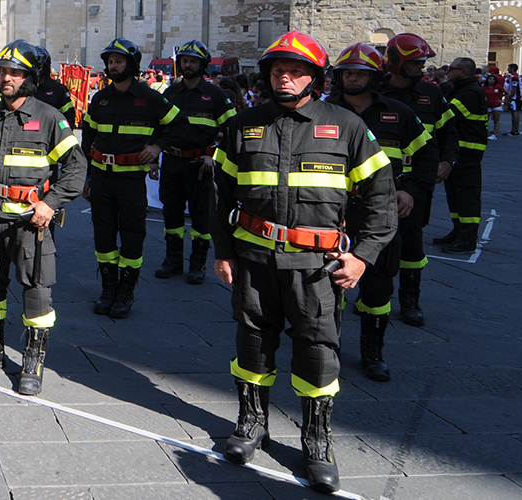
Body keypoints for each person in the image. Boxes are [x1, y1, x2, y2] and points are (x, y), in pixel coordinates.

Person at [211, 31, 396, 493]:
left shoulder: (347, 126)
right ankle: (251, 424)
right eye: (277, 70)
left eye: (295, 71)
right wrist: (224, 251)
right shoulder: (242, 125)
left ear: (315, 77)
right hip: (253, 258)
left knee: (317, 352)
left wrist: (362, 257)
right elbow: (216, 195)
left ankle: (317, 440)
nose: (285, 78)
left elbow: (382, 200)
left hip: (317, 266)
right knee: (252, 343)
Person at [0, 40, 86, 395]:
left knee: (36, 292)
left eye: (15, 73)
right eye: (2, 72)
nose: (6, 78)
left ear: (30, 78)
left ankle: (33, 358)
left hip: (32, 224)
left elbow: (76, 169)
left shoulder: (49, 118)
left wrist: (51, 202)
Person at [326, 43, 436, 382]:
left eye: (360, 73)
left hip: (379, 210)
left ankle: (373, 352)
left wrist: (411, 191)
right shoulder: (322, 111)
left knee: (377, 285)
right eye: (347, 72)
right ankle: (328, 347)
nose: (353, 78)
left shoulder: (400, 113)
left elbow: (427, 157)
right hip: (331, 210)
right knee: (329, 283)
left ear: (375, 77)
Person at [82, 38, 183, 319]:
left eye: (119, 61)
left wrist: (157, 147)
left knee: (132, 236)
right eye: (110, 62)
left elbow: (179, 124)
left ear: (132, 64)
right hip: (101, 178)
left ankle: (126, 292)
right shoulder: (99, 99)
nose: (113, 66)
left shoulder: (149, 97)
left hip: (131, 182)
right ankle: (108, 289)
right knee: (102, 236)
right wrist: (87, 177)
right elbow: (89, 139)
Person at [380, 33, 454, 326]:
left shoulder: (432, 94)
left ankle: (410, 300)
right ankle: (371, 297)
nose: (423, 69)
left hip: (416, 182)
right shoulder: (373, 92)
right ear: (397, 63)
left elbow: (449, 132)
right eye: (417, 63)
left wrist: (448, 161)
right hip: (376, 181)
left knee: (411, 239)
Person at [158, 39, 237, 285]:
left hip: (201, 166)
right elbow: (158, 127)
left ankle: (198, 263)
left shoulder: (216, 95)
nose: (188, 65)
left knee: (202, 217)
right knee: (171, 213)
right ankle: (173, 260)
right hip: (172, 161)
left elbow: (234, 131)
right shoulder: (170, 93)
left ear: (203, 65)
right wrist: (153, 158)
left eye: (193, 61)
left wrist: (213, 156)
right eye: (184, 61)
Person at [433, 57, 488, 253]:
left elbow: (447, 115)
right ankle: (458, 231)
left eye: (452, 69)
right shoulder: (461, 89)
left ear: (463, 72)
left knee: (467, 196)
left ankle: (468, 239)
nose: (448, 72)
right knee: (455, 195)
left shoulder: (471, 92)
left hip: (468, 152)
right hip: (458, 152)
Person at [30, 45, 76, 127]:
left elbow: (68, 119)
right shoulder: (25, 88)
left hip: (50, 136)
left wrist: (59, 134)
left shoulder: (58, 90)